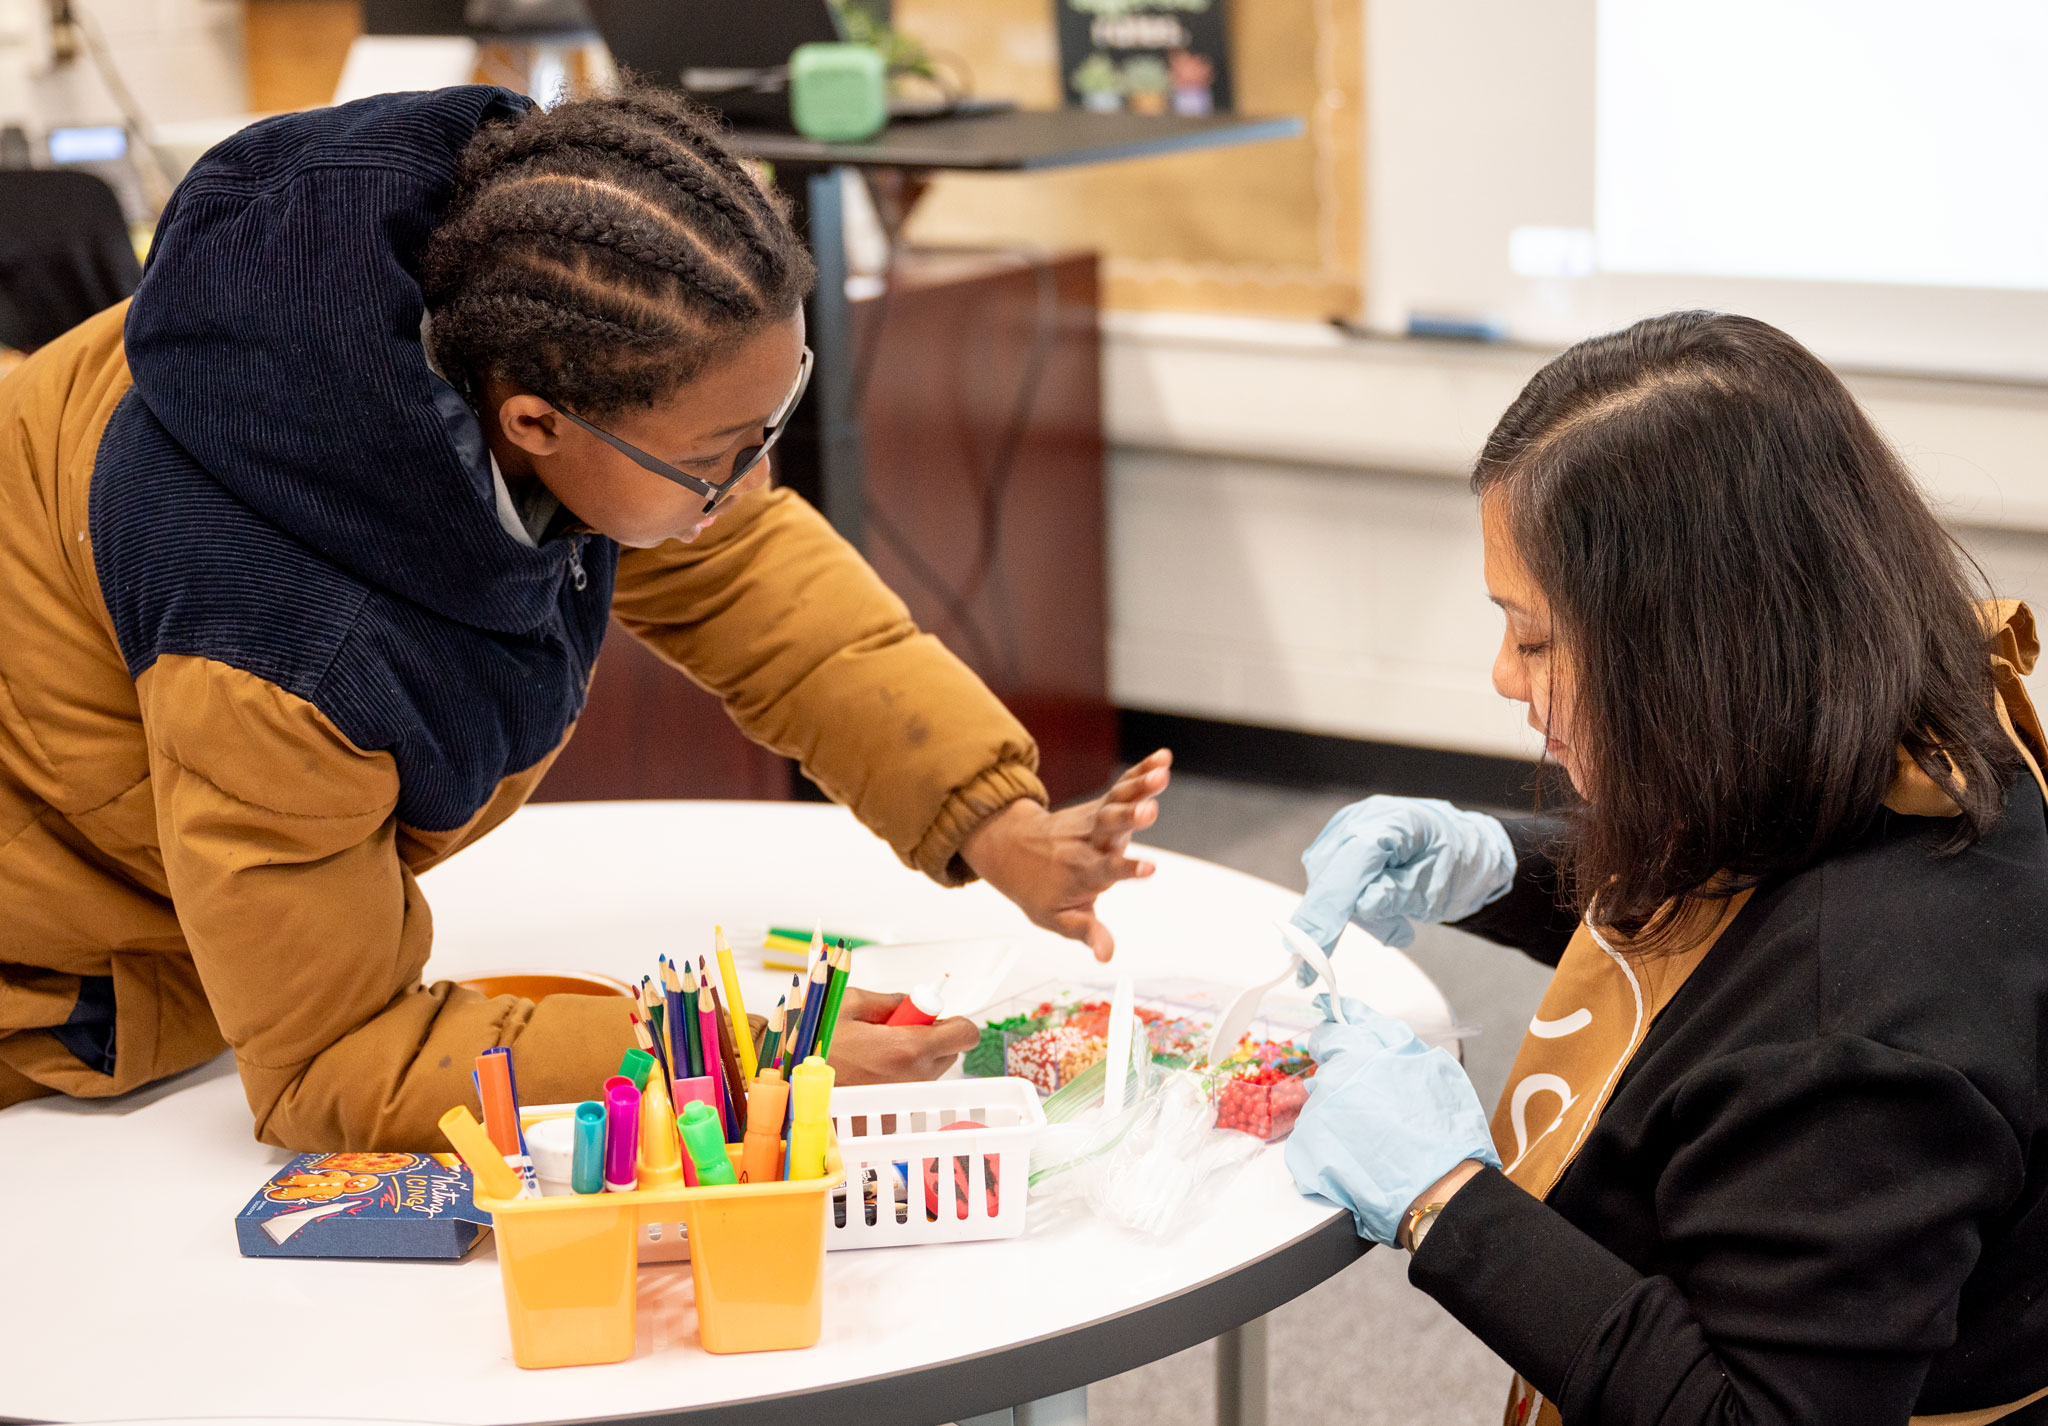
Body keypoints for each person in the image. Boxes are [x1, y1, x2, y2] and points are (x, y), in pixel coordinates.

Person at [0, 84, 1168, 1150]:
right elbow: (333, 1061)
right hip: (47, 966)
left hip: (191, 915)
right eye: (716, 458)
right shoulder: (278, 638)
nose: (745, 484)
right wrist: (739, 1063)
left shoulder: (516, 331)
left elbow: (746, 571)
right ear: (533, 425)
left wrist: (992, 819)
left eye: (774, 418)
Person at [1283, 312, 2048, 1424]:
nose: (1501, 675)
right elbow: (1739, 926)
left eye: (1533, 638)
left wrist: (1445, 1205)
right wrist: (1496, 864)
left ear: (1696, 653)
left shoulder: (1856, 1047)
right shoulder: (1912, 730)